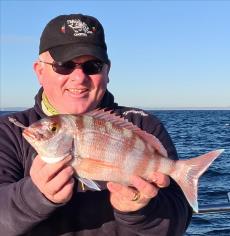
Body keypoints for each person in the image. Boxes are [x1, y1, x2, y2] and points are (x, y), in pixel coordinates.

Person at [0, 14, 192, 236]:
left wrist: (139, 210)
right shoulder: (8, 132)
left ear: (107, 72)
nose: (79, 77)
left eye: (92, 66)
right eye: (64, 65)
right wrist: (34, 196)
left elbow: (179, 219)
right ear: (40, 71)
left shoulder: (143, 125)